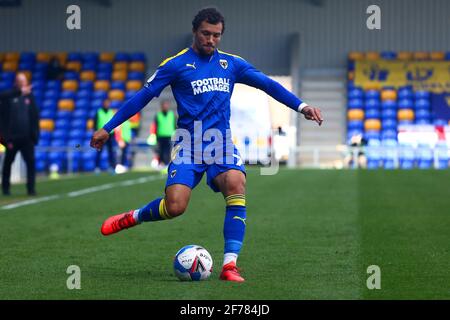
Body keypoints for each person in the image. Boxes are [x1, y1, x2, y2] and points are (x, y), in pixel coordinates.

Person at [90, 7, 323, 282]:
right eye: (206, 33)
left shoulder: (231, 64)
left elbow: (267, 85)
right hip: (188, 144)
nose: (211, 40)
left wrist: (301, 106)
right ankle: (134, 216)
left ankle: (229, 265)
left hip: (220, 144)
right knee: (175, 206)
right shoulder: (175, 65)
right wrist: (108, 127)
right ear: (194, 32)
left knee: (236, 183)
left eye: (216, 35)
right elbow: (143, 96)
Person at [0, 73, 40, 196]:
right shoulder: (9, 96)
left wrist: (35, 136)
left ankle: (31, 189)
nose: (23, 84)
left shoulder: (30, 97)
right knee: (8, 163)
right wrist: (5, 138)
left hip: (27, 138)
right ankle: (6, 188)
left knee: (30, 163)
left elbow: (35, 116)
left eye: (25, 81)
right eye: (20, 81)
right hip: (12, 138)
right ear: (16, 82)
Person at [93, 99, 116, 173]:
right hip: (101, 135)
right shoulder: (99, 112)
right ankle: (97, 167)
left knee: (111, 152)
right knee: (99, 151)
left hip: (110, 135)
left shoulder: (111, 112)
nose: (107, 104)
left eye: (108, 103)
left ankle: (111, 167)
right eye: (106, 103)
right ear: (103, 104)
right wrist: (96, 134)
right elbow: (95, 123)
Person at [154, 100, 176, 166]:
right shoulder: (158, 115)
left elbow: (175, 125)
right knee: (160, 151)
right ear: (162, 106)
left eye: (167, 105)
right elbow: (155, 126)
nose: (165, 107)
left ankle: (167, 164)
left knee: (168, 151)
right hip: (160, 136)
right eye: (164, 105)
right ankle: (161, 163)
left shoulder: (171, 114)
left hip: (169, 136)